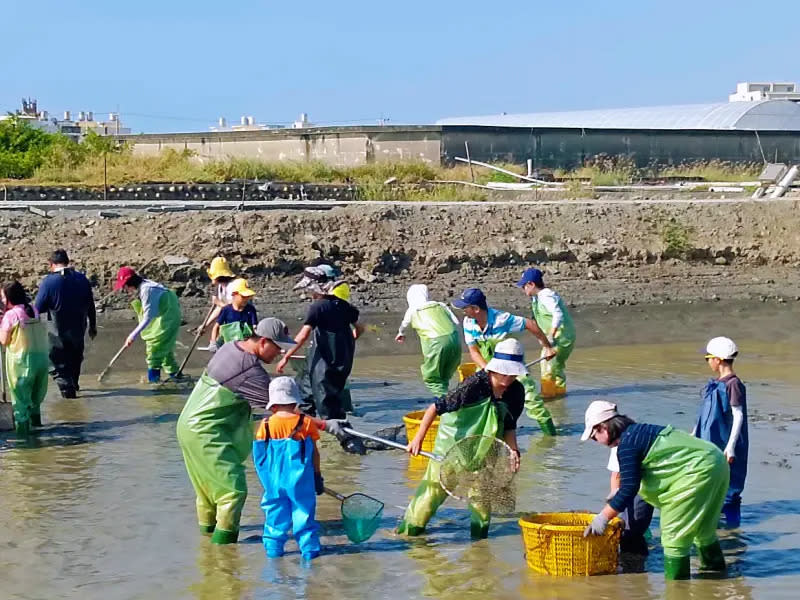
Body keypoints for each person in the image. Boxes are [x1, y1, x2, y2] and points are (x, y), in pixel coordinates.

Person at [177, 318, 349, 545]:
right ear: (264, 341)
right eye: (277, 348)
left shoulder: (232, 347)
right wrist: (326, 425)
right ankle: (224, 550)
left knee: (207, 493)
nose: (279, 354)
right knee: (232, 492)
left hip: (189, 425)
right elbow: (287, 413)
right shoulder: (248, 370)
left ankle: (207, 544)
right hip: (207, 433)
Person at [581, 400, 728, 580]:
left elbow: (629, 488)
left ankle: (677, 590)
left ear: (603, 427)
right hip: (717, 461)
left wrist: (602, 518)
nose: (595, 441)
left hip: (696, 473)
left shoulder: (627, 445)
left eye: (593, 436)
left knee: (674, 539)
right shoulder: (641, 431)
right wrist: (616, 494)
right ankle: (718, 578)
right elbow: (632, 477)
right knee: (703, 531)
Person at [398, 338, 527, 539]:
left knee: (482, 506)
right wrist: (418, 440)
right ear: (495, 368)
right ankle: (409, 535)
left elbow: (509, 427)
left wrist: (513, 452)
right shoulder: (475, 385)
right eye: (505, 372)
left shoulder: (516, 392)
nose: (508, 377)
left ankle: (479, 545)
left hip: (484, 453)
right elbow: (435, 408)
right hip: (452, 449)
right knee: (430, 497)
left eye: (513, 373)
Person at [276, 268, 366, 454]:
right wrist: (348, 342)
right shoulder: (344, 306)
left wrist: (286, 356)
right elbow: (360, 328)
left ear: (316, 288)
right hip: (339, 362)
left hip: (323, 366)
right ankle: (301, 439)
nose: (308, 294)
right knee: (306, 398)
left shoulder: (318, 307)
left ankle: (351, 445)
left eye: (309, 290)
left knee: (329, 411)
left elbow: (302, 336)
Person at [452, 287, 557, 435]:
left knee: (532, 401)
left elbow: (530, 324)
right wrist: (487, 370)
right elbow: (474, 352)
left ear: (475, 308)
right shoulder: (468, 323)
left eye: (465, 307)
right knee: (479, 401)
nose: (463, 311)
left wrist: (547, 347)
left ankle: (551, 435)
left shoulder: (502, 319)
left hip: (512, 366)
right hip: (487, 366)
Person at [253, 377, 324, 561]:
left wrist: (267, 481)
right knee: (303, 512)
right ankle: (309, 551)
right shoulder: (306, 423)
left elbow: (260, 457)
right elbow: (314, 453)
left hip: (273, 481)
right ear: (295, 403)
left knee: (274, 513)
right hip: (301, 481)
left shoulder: (266, 425)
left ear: (273, 405)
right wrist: (317, 476)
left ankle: (273, 550)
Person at [695, 336, 748, 528]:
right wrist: (694, 434)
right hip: (711, 440)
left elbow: (738, 415)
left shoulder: (733, 384)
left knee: (730, 487)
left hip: (726, 442)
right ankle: (715, 525)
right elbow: (705, 415)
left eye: (708, 358)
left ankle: (732, 530)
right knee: (711, 484)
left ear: (718, 359)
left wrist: (731, 446)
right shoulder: (716, 384)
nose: (708, 362)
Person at [34, 249, 97, 399]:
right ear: (68, 262)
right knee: (75, 359)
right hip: (78, 329)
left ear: (51, 264)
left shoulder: (49, 282)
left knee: (55, 362)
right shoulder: (82, 279)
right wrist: (93, 326)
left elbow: (38, 307)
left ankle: (68, 392)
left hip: (58, 331)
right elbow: (91, 305)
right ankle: (73, 386)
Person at [114, 267, 182, 383]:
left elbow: (147, 318)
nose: (125, 290)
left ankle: (154, 383)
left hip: (169, 315)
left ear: (130, 283)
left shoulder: (147, 290)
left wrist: (132, 336)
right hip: (163, 313)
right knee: (164, 350)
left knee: (155, 349)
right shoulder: (143, 287)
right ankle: (177, 378)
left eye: (125, 286)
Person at [516, 268, 576, 398]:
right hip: (566, 335)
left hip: (560, 336)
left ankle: (548, 396)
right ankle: (559, 394)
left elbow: (557, 314)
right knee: (557, 366)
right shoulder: (536, 298)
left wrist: (551, 335)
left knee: (547, 365)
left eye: (524, 286)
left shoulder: (546, 295)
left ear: (531, 284)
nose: (523, 290)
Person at [0, 281, 49, 436]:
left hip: (22, 363)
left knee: (21, 402)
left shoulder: (11, 315)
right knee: (35, 400)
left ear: (9, 298)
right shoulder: (33, 309)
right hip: (40, 360)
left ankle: (23, 440)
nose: (1, 301)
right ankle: (38, 429)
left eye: (2, 297)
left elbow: (4, 340)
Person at [395, 284, 461, 398]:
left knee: (432, 378)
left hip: (435, 344)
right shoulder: (440, 305)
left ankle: (445, 406)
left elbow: (404, 325)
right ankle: (449, 400)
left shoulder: (413, 310)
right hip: (454, 340)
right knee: (445, 375)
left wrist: (401, 333)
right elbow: (456, 322)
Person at [607, 444, 654, 556]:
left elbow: (617, 474)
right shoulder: (621, 440)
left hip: (645, 484)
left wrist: (607, 515)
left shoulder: (623, 444)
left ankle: (635, 568)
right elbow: (617, 474)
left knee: (631, 533)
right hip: (645, 483)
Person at [209, 278, 258, 346]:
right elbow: (216, 327)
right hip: (229, 343)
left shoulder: (251, 310)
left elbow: (255, 328)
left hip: (245, 343)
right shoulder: (226, 310)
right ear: (234, 294)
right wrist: (213, 342)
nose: (246, 299)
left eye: (248, 296)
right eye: (243, 297)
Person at [197, 256, 237, 333]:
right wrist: (205, 325)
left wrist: (218, 302)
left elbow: (233, 308)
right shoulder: (220, 286)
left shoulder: (234, 286)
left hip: (239, 324)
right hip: (230, 323)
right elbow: (219, 307)